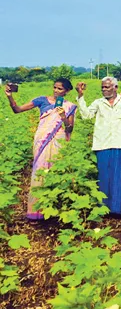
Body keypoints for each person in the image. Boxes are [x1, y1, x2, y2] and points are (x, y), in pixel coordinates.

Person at [6, 78, 77, 220]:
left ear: (67, 91)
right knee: (40, 171)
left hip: (59, 141)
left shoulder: (69, 106)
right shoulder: (42, 100)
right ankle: (37, 210)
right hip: (42, 139)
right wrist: (10, 96)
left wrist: (63, 116)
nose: (56, 91)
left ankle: (55, 210)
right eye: (55, 88)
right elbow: (17, 110)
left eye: (60, 89)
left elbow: (70, 128)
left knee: (56, 170)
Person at [75, 77, 121, 217]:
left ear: (116, 87)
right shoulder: (98, 103)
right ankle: (104, 208)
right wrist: (80, 96)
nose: (104, 90)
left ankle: (118, 208)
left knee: (118, 175)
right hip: (102, 143)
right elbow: (86, 115)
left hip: (119, 143)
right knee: (104, 175)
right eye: (103, 87)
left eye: (107, 87)